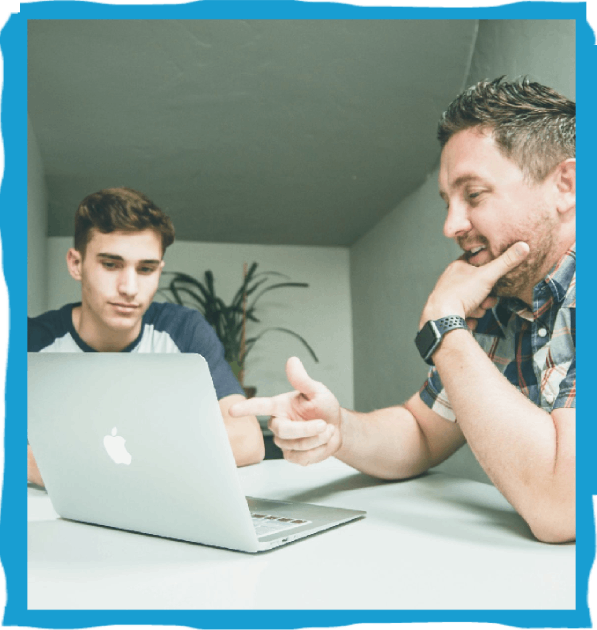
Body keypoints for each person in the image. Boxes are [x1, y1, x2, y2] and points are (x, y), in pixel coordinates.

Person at [230, 77, 576, 544]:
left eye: (473, 195)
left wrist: (446, 327)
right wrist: (338, 429)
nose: (451, 224)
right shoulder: (506, 301)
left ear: (566, 186)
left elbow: (564, 508)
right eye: (448, 202)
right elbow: (421, 430)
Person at [28, 187, 265, 486]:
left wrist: (80, 461)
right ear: (76, 264)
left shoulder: (184, 330)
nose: (128, 287)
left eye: (145, 268)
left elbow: (246, 440)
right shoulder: (29, 343)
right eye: (111, 264)